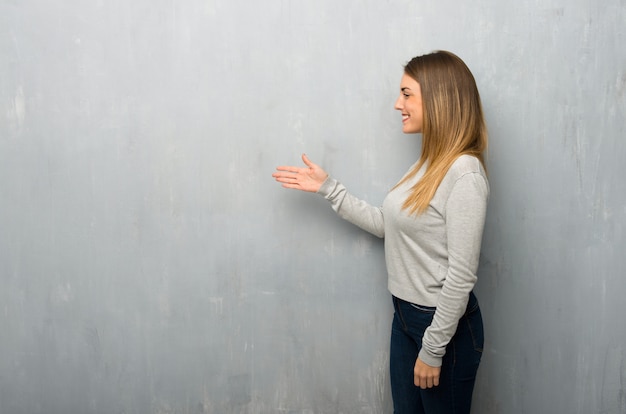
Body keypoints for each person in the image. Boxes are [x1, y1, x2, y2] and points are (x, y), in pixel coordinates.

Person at [272, 50, 489, 414]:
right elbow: (389, 227)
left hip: (441, 330)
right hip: (404, 318)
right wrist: (329, 188)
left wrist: (433, 349)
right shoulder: (428, 162)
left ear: (437, 99)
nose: (396, 104)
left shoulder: (464, 173)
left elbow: (462, 275)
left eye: (406, 94)